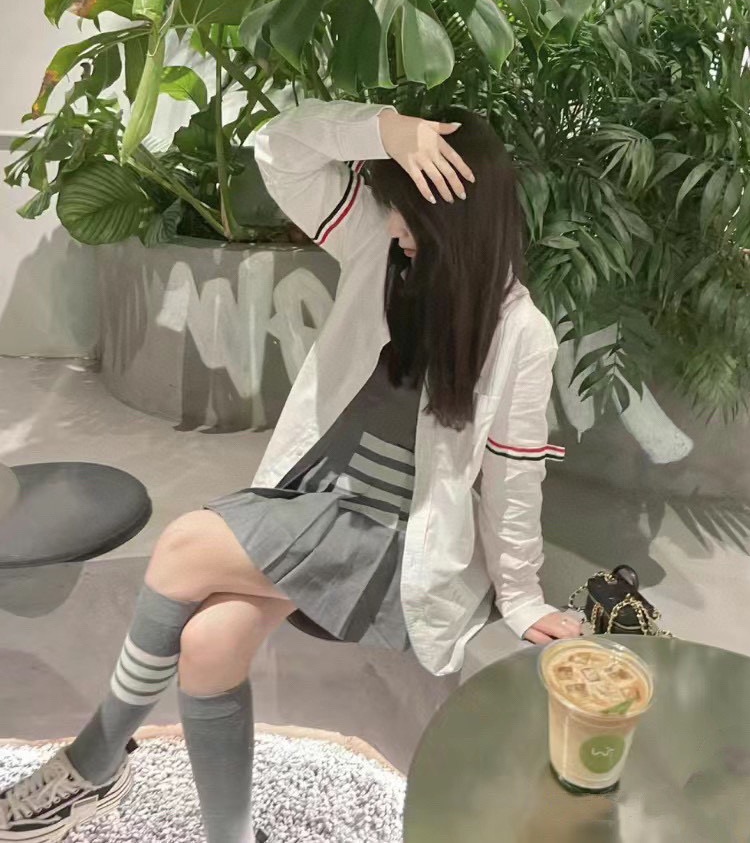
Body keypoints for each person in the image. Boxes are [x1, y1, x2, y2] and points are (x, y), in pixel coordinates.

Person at [0, 100, 582, 843]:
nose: (392, 223)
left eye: (405, 211)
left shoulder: (520, 331)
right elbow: (280, 149)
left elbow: (512, 475)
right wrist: (384, 130)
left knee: (182, 546)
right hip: (318, 499)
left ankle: (93, 763)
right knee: (210, 647)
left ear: (450, 219)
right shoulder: (379, 251)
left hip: (394, 536)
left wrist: (523, 595)